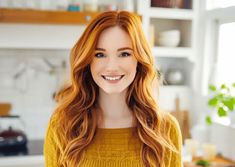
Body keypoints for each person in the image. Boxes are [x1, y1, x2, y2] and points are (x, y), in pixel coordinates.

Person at [44, 10, 182, 167]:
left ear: (139, 59)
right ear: (88, 61)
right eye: (100, 55)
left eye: (124, 54)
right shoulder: (62, 126)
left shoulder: (166, 128)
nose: (112, 67)